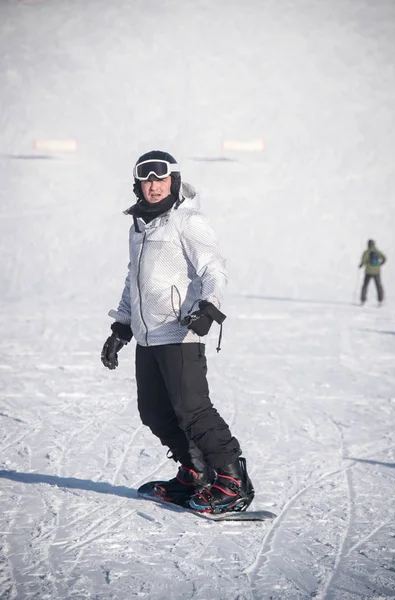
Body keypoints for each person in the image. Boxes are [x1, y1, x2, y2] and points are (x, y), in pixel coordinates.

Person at [101, 150, 254, 514]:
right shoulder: (140, 226)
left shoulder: (188, 221)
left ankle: (233, 481)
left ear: (174, 180)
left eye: (160, 179)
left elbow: (214, 270)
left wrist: (208, 309)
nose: (153, 186)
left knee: (192, 409)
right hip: (146, 335)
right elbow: (132, 282)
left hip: (179, 332)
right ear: (138, 184)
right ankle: (195, 472)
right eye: (147, 180)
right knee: (153, 411)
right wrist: (121, 328)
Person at [359, 239, 387, 305]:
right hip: (377, 271)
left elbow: (364, 260)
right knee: (378, 285)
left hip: (368, 271)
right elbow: (384, 258)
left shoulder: (366, 252)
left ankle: (363, 300)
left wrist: (362, 265)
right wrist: (380, 264)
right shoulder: (377, 251)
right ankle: (380, 300)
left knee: (365, 285)